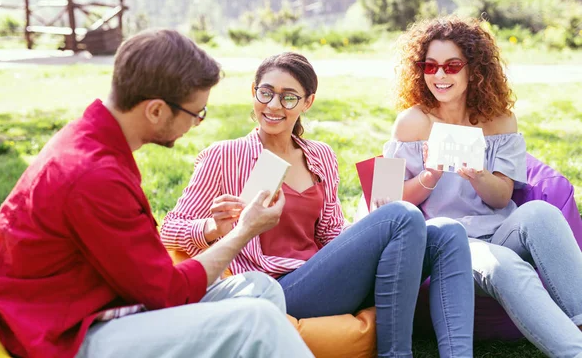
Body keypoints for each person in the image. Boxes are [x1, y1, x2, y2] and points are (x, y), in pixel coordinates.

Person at [0, 30, 314, 358]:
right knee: (256, 321)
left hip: (100, 301)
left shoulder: (93, 138)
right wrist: (245, 231)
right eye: (195, 113)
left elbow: (152, 276)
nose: (197, 123)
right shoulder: (93, 175)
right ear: (155, 110)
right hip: (65, 334)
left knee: (259, 288)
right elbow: (168, 292)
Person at [161, 52, 475, 358]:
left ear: (307, 102)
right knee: (402, 215)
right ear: (253, 93)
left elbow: (330, 235)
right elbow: (170, 230)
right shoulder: (224, 156)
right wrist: (213, 227)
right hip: (279, 288)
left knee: (447, 232)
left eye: (288, 97)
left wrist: (373, 228)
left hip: (326, 279)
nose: (273, 105)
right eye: (266, 93)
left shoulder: (320, 156)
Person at [384, 15, 582, 357]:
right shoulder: (410, 123)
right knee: (503, 264)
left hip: (499, 228)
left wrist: (478, 175)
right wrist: (429, 176)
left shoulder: (500, 121)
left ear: (474, 70)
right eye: (430, 66)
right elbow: (383, 199)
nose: (440, 75)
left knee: (541, 212)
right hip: (447, 241)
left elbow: (502, 197)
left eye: (451, 65)